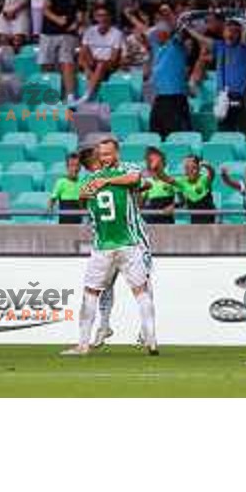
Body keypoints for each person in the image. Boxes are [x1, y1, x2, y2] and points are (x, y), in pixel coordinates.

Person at [61, 138, 157, 356]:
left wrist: (99, 185)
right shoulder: (127, 173)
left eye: (107, 154)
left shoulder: (92, 180)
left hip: (106, 244)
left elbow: (82, 199)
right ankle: (149, 338)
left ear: (116, 153)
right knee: (141, 290)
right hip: (127, 242)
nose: (104, 158)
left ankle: (84, 344)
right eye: (101, 155)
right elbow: (140, 181)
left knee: (92, 292)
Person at [186, 18, 246, 138]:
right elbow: (201, 38)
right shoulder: (219, 46)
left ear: (239, 34)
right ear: (223, 32)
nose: (231, 34)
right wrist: (187, 28)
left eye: (235, 31)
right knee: (224, 134)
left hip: (241, 97)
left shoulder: (245, 48)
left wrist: (245, 24)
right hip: (223, 98)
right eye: (229, 30)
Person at [38, 1, 85, 104]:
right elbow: (45, 9)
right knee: (46, 64)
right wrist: (58, 19)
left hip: (68, 33)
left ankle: (70, 97)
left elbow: (80, 14)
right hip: (48, 32)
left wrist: (76, 24)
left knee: (67, 63)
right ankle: (49, 96)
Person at [75, 6, 123, 105]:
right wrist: (86, 68)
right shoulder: (89, 31)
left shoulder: (117, 33)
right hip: (92, 62)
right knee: (84, 51)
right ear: (95, 18)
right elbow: (82, 56)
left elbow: (113, 58)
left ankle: (87, 96)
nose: (103, 18)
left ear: (110, 17)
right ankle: (71, 96)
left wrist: (99, 63)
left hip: (108, 64)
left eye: (105, 15)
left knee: (101, 64)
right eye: (99, 16)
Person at [157, 155, 216, 224]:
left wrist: (207, 165)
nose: (190, 171)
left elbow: (212, 173)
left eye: (193, 167)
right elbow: (166, 178)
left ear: (199, 168)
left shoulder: (204, 179)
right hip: (195, 218)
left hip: (209, 218)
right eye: (186, 168)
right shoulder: (182, 181)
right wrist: (157, 169)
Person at [141, 147, 175, 224]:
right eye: (151, 162)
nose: (155, 165)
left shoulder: (171, 180)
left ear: (164, 164)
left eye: (158, 162)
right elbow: (139, 204)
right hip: (151, 222)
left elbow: (181, 202)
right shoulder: (146, 182)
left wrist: (173, 206)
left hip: (167, 221)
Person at [48, 152, 82, 224]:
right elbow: (52, 200)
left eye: (77, 165)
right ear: (67, 167)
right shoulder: (61, 182)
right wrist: (50, 210)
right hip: (64, 223)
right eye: (72, 165)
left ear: (80, 167)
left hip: (78, 222)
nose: (75, 168)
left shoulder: (82, 182)